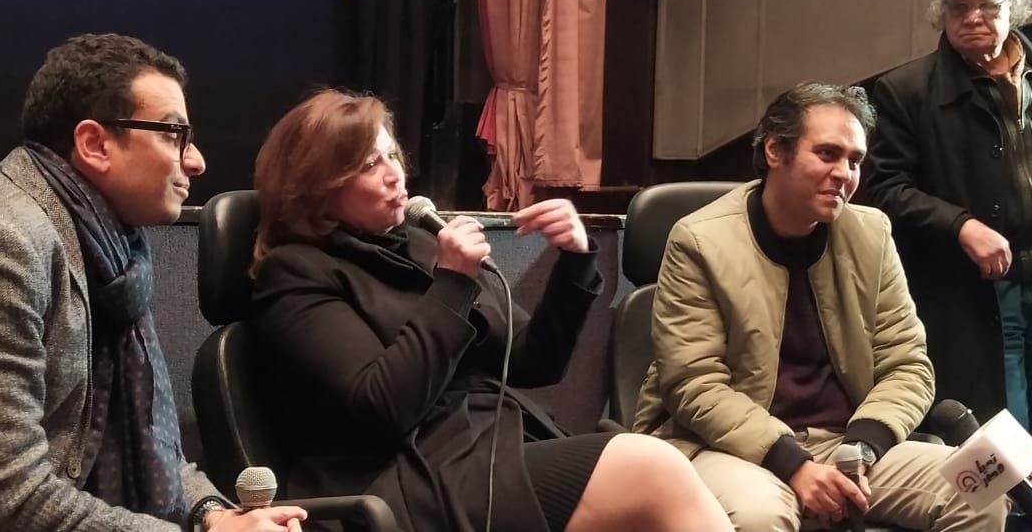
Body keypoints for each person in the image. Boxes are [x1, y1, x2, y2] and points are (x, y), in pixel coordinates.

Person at [0, 33, 306, 532]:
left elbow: (150, 439)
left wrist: (213, 516)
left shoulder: (114, 251)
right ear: (94, 144)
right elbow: (14, 499)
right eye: (173, 134)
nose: (196, 160)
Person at [248, 89, 733, 532]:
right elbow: (384, 407)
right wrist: (452, 284)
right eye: (369, 164)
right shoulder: (295, 274)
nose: (395, 173)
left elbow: (534, 363)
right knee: (650, 468)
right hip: (404, 476)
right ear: (317, 188)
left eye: (392, 154)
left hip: (486, 445)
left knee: (646, 486)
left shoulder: (420, 243)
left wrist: (574, 263)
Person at [634, 81, 1007, 531]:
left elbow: (908, 365)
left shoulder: (871, 234)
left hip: (848, 443)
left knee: (982, 489)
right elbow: (694, 384)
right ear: (775, 150)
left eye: (855, 160)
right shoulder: (700, 240)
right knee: (759, 516)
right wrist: (793, 464)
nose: (844, 173)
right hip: (728, 448)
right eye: (828, 154)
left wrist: (864, 446)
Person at [866, 0, 1032, 472]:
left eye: (987, 6)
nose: (972, 17)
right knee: (1002, 434)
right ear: (942, 17)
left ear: (1014, 12)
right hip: (978, 291)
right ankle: (1012, 514)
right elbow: (885, 189)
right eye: (958, 8)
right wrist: (961, 224)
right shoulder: (905, 90)